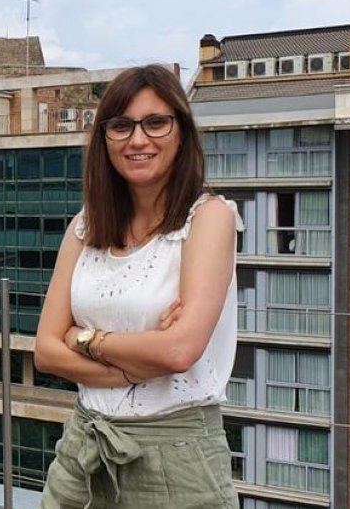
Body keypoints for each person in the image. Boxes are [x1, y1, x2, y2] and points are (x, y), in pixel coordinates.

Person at [35, 64, 243, 508]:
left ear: (181, 132)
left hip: (177, 458)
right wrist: (135, 365)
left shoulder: (209, 218)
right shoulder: (85, 226)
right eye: (121, 125)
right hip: (83, 449)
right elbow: (46, 351)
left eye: (156, 122)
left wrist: (84, 338)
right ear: (104, 138)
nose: (138, 139)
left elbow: (178, 352)